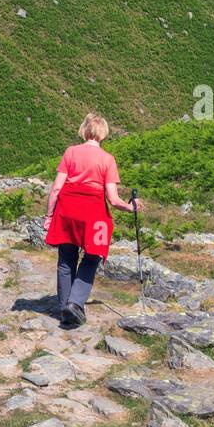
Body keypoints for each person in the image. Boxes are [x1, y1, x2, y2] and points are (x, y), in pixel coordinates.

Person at [44, 112, 141, 327]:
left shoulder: (70, 152)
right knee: (92, 256)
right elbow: (113, 199)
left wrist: (49, 216)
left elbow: (56, 189)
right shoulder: (107, 160)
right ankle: (75, 303)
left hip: (67, 209)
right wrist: (130, 206)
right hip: (94, 213)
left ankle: (64, 308)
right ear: (103, 134)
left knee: (66, 258)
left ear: (84, 130)